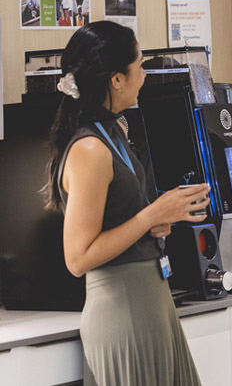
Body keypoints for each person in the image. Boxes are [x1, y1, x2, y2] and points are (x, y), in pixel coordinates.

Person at [42, 21, 206, 385]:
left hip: (151, 306)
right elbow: (78, 257)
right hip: (124, 312)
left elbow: (121, 224)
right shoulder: (89, 149)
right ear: (116, 79)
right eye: (140, 65)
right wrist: (151, 215)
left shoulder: (114, 131)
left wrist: (156, 221)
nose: (145, 75)